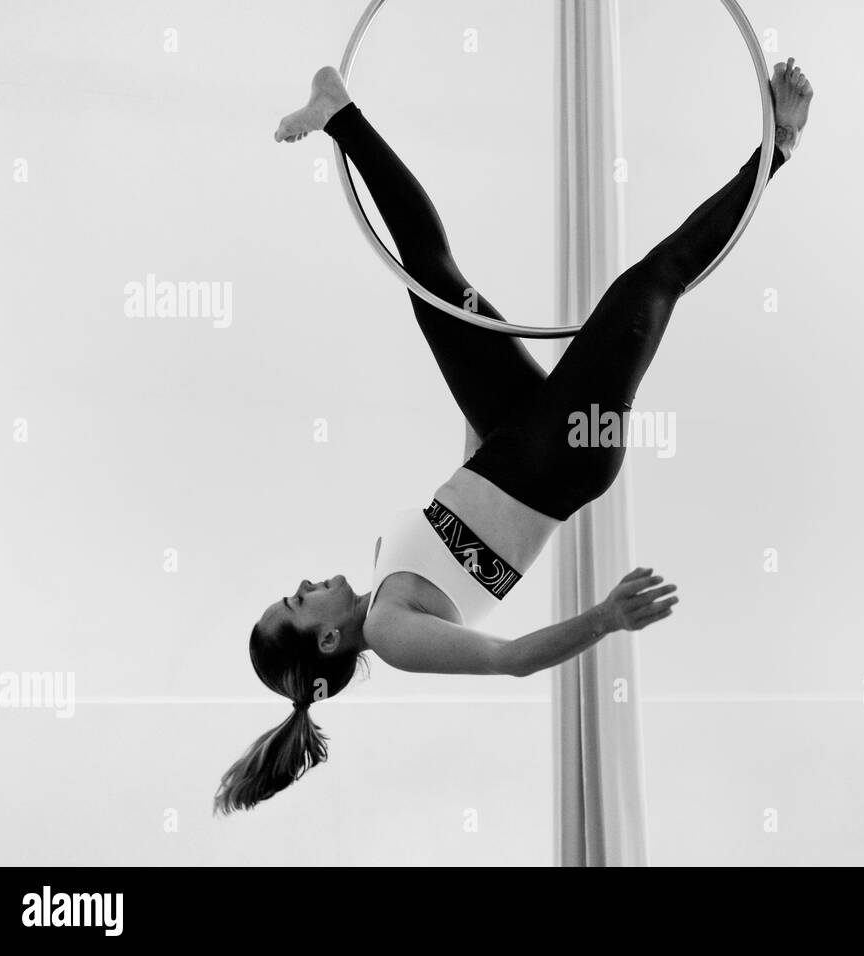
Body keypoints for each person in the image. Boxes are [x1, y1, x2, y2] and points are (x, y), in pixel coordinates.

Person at [215, 60, 814, 813]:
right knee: (655, 278)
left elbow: (475, 503)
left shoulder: (386, 576)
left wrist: (474, 360)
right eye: (296, 606)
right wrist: (608, 617)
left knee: (432, 278)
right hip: (564, 453)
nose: (302, 587)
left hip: (512, 440)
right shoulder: (394, 634)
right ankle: (780, 145)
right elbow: (511, 660)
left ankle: (339, 112)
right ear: (327, 642)